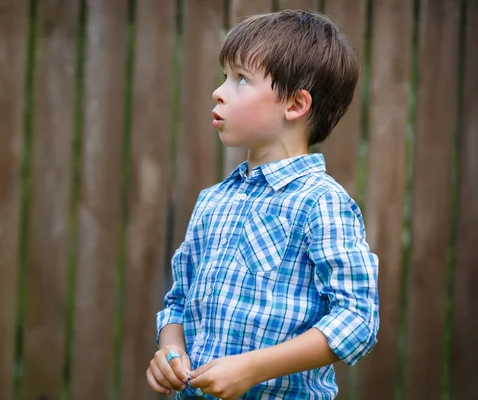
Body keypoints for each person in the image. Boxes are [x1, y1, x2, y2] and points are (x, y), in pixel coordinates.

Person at [147, 9, 379, 400]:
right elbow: (178, 302)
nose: (219, 91)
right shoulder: (212, 202)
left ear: (294, 105)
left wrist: (253, 367)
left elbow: (357, 320)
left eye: (240, 79)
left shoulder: (322, 203)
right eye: (224, 76)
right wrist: (170, 351)